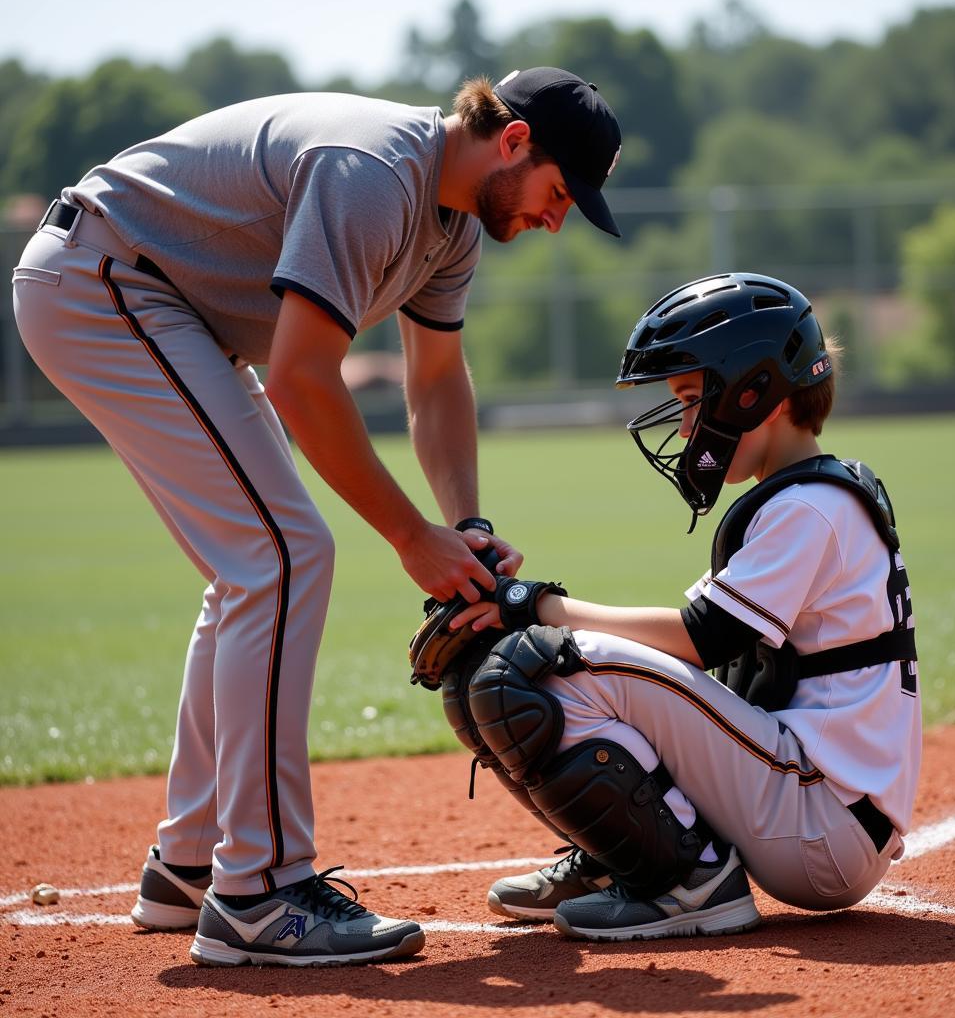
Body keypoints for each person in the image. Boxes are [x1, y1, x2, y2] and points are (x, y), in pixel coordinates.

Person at [10, 67, 623, 966]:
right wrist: (413, 538)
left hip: (158, 300)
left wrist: (467, 524)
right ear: (515, 141)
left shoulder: (451, 225)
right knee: (283, 555)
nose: (557, 216)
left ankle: (189, 862)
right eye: (560, 192)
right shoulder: (374, 174)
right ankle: (257, 892)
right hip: (105, 278)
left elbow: (437, 380)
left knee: (258, 566)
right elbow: (301, 379)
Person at [449, 272, 921, 941]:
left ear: (759, 392)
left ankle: (688, 883)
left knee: (539, 670)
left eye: (694, 398)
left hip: (823, 821)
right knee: (487, 674)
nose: (685, 422)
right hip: (811, 802)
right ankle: (634, 856)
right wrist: (526, 612)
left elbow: (701, 640)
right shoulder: (801, 498)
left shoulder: (809, 509)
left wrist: (536, 606)